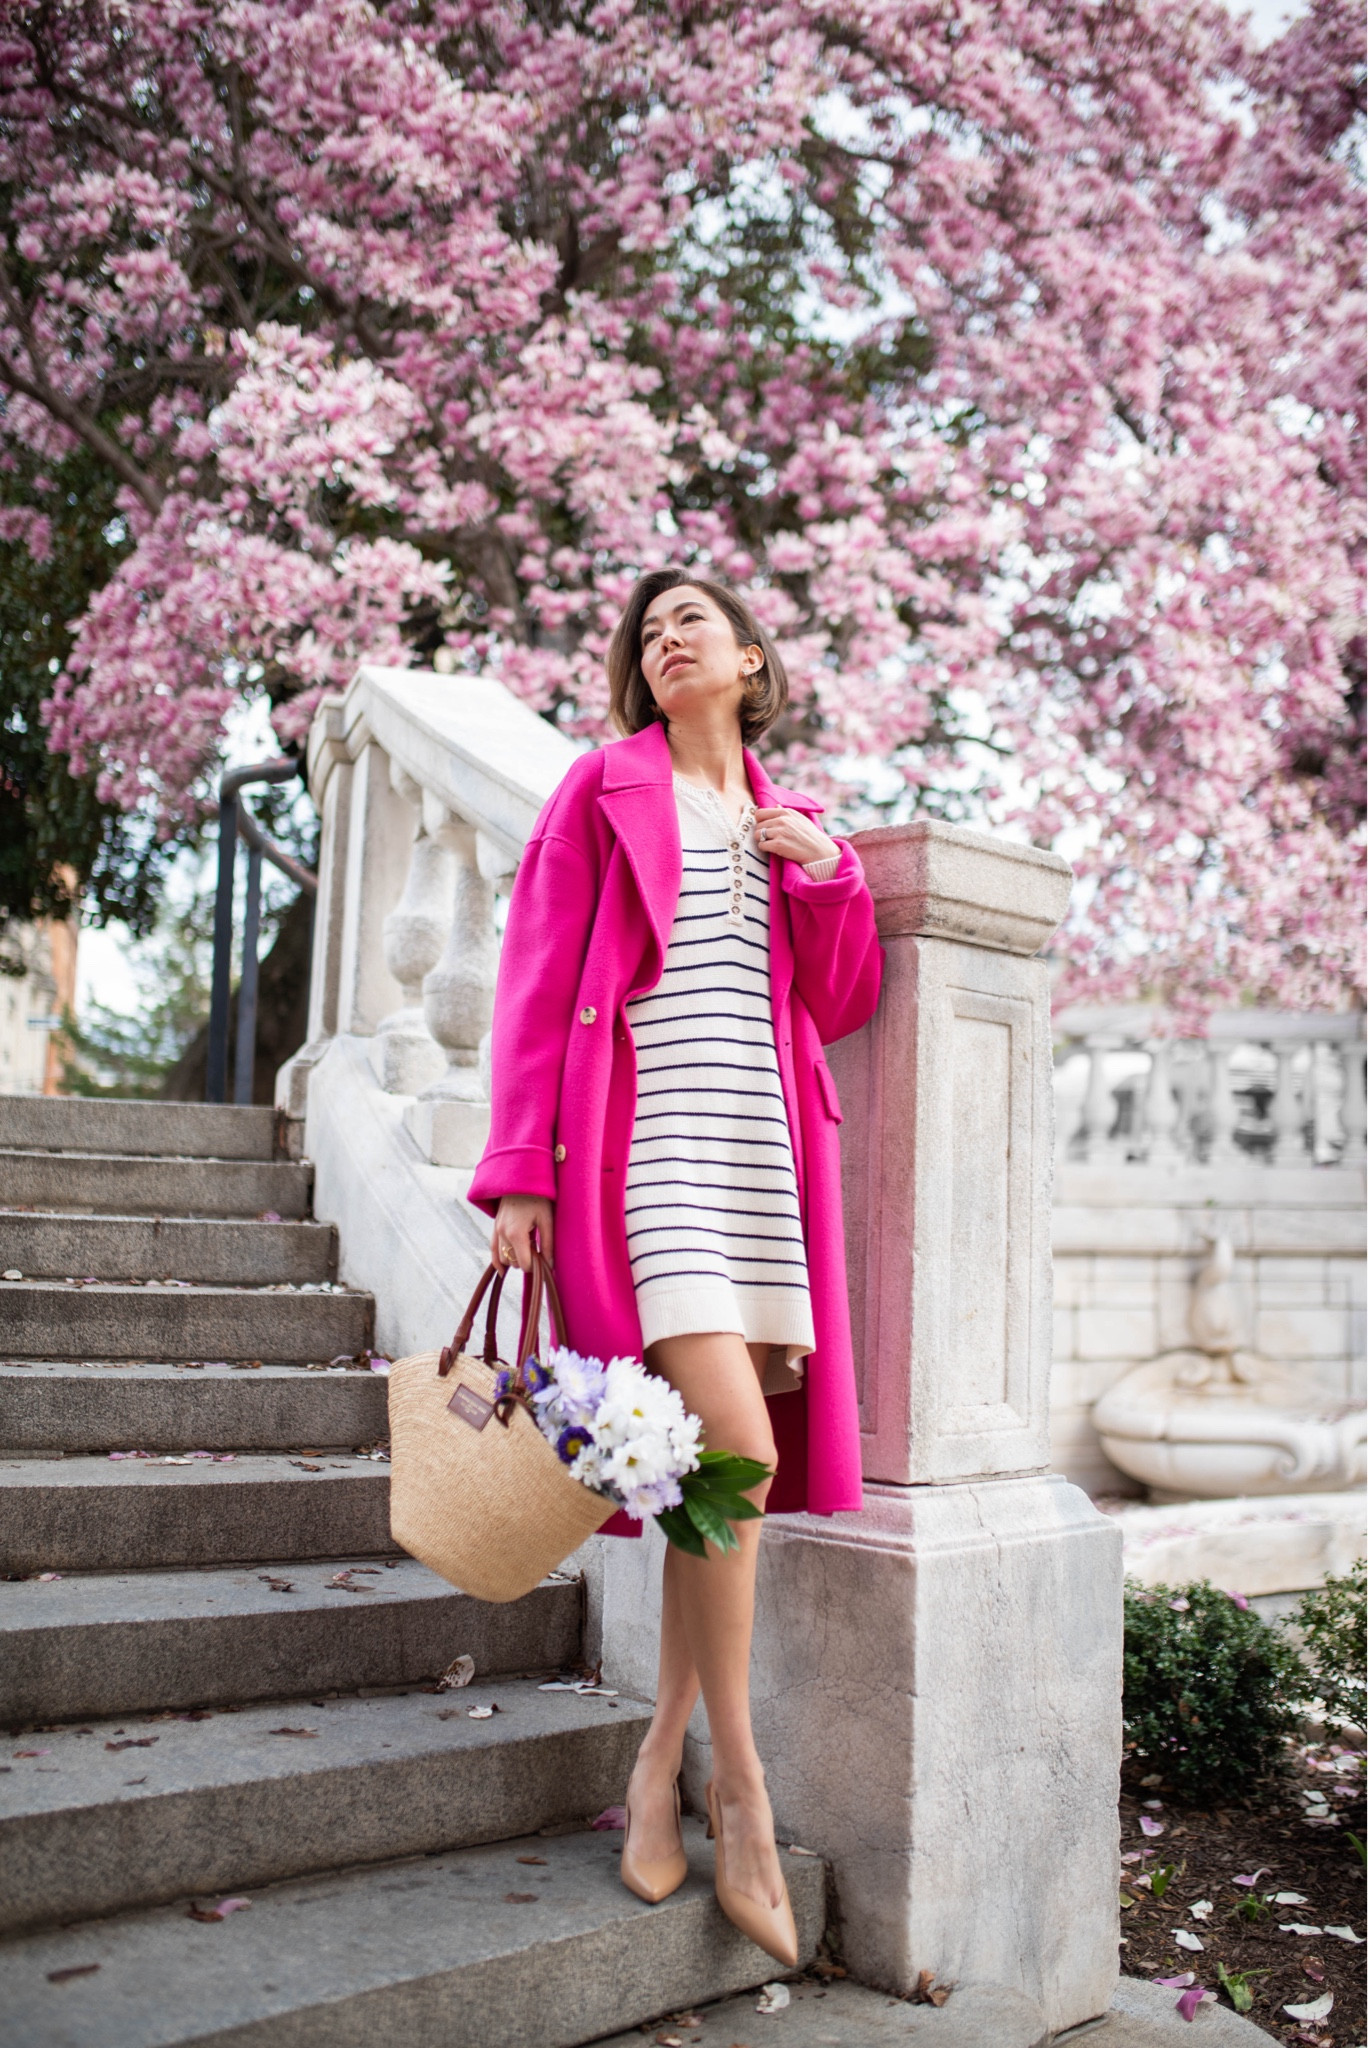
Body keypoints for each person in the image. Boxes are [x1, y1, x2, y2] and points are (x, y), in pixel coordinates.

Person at [468, 570, 882, 1965]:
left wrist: (824, 879)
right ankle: (743, 1795)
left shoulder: (789, 825)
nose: (666, 638)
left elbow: (843, 999)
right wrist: (520, 1165)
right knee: (740, 1464)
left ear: (751, 660)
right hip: (646, 1162)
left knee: (723, 1487)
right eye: (648, 632)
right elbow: (536, 971)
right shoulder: (603, 788)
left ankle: (656, 1761)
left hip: (763, 1167)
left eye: (693, 620)